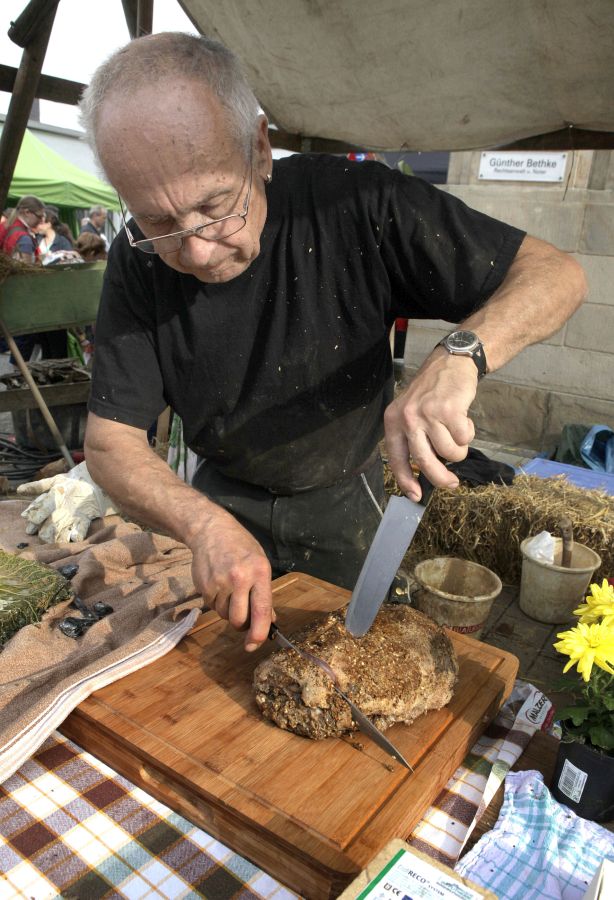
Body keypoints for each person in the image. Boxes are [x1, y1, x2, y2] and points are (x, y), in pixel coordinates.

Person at [77, 32, 586, 653]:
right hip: (220, 495)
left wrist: (461, 354)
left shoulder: (356, 203)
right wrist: (203, 524)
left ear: (258, 148)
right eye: (158, 223)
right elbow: (109, 442)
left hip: (345, 494)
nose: (198, 251)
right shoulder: (138, 259)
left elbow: (557, 274)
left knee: (359, 661)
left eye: (216, 207)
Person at [0, 195, 45, 262]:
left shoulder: (4, 225)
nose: (41, 221)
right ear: (27, 212)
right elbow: (25, 267)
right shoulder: (24, 239)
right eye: (39, 216)